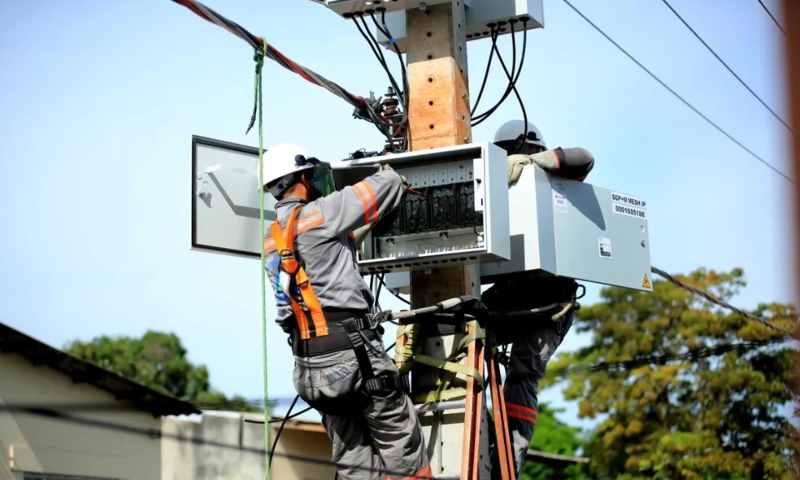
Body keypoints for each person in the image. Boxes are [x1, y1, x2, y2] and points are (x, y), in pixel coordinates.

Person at [260, 143, 431, 480]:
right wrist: (388, 167)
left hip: (309, 371)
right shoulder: (324, 211)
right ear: (303, 176)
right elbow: (387, 184)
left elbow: (286, 311)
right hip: (355, 357)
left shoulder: (270, 240)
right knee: (402, 446)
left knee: (353, 462)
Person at [483, 120, 595, 476]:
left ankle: (506, 466)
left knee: (522, 373)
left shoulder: (556, 181)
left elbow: (584, 158)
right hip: (510, 294)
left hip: (548, 302)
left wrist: (535, 163)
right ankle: (473, 444)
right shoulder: (495, 184)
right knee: (460, 339)